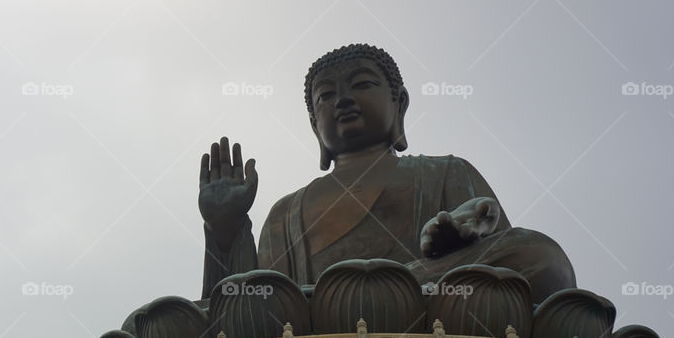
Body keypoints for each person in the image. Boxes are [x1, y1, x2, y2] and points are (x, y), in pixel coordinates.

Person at [198, 43, 575, 304]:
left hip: (432, 306)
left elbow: (509, 256)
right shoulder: (286, 212)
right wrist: (225, 230)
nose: (342, 100)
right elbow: (252, 303)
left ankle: (368, 294)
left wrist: (459, 243)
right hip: (318, 323)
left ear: (400, 105)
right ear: (316, 127)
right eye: (326, 96)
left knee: (541, 256)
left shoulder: (444, 172)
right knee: (145, 322)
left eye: (361, 85)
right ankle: (369, 295)